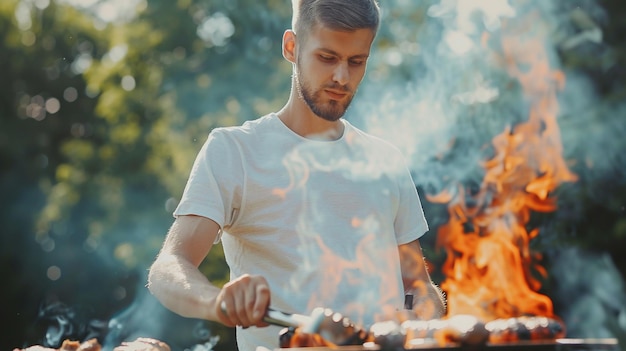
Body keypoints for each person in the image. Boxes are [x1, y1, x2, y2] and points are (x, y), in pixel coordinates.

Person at [147, 0, 446, 350]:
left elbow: (418, 285)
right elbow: (168, 267)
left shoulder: (386, 159)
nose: (341, 77)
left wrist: (418, 318)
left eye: (356, 62)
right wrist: (218, 303)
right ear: (292, 47)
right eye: (327, 57)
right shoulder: (235, 151)